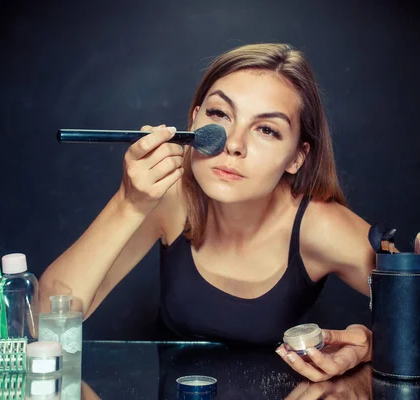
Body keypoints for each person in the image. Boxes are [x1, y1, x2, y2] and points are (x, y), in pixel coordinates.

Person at [40, 43, 375, 382]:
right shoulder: (168, 199)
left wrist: (371, 343)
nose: (233, 144)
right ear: (193, 118)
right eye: (219, 115)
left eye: (267, 129)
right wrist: (129, 204)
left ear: (297, 157)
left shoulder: (320, 224)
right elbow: (46, 316)